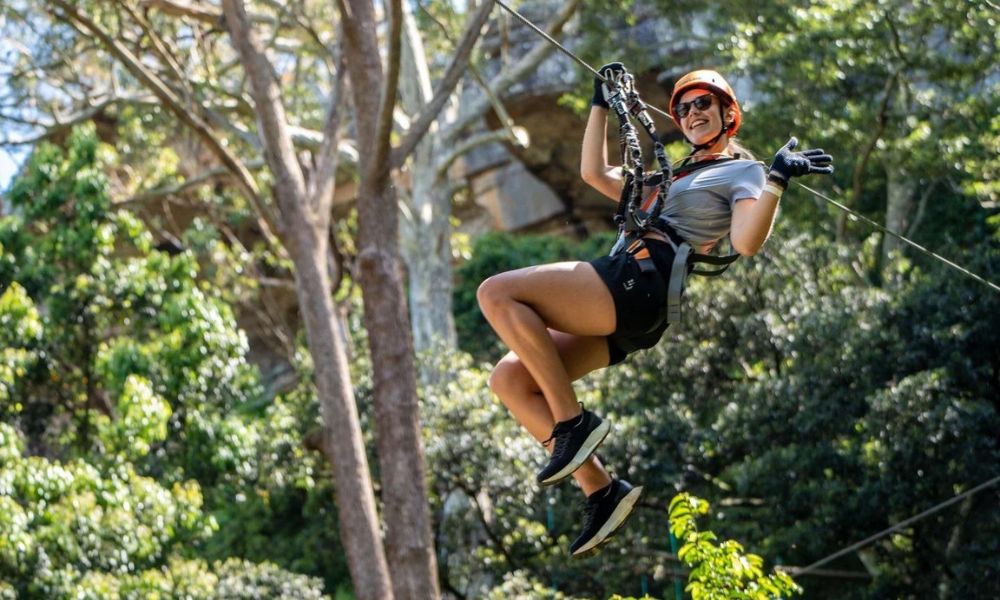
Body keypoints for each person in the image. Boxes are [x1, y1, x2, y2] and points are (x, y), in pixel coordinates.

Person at [476, 65, 833, 557]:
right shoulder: (672, 175)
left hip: (639, 282)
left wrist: (775, 182)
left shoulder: (741, 171)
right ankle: (600, 490)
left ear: (728, 113)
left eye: (702, 104)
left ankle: (572, 423)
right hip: (637, 306)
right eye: (683, 109)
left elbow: (747, 242)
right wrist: (599, 104)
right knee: (509, 381)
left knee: (497, 293)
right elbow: (594, 174)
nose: (691, 114)